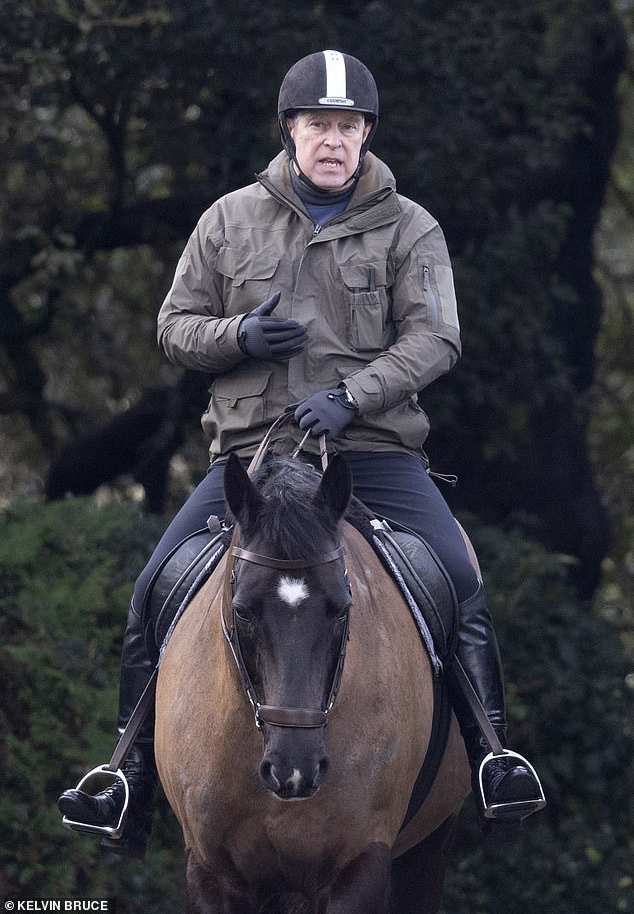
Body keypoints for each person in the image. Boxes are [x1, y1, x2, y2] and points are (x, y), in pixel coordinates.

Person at [58, 50, 544, 857]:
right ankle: (126, 781)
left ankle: (493, 757)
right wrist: (238, 335)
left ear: (366, 135)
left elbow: (437, 337)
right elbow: (175, 327)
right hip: (252, 461)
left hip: (372, 453)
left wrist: (352, 397)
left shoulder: (409, 226)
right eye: (319, 124)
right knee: (151, 588)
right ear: (290, 130)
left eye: (348, 126)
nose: (334, 140)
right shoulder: (227, 220)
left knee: (458, 580)